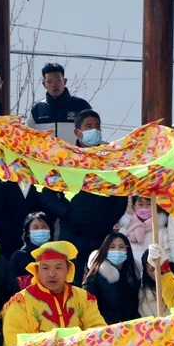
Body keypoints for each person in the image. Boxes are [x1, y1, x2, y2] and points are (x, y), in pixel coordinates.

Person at [39, 110, 128, 275]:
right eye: (88, 126)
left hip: (102, 235)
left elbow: (122, 192)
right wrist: (66, 213)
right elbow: (46, 192)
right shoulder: (66, 159)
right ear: (77, 131)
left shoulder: (109, 160)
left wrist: (110, 218)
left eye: (97, 126)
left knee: (102, 283)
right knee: (71, 280)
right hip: (72, 234)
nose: (94, 129)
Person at [24, 62, 92, 143]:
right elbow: (27, 138)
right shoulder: (37, 110)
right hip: (45, 155)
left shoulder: (81, 106)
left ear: (65, 81)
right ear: (44, 84)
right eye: (49, 81)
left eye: (58, 80)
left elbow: (92, 135)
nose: (54, 84)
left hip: (74, 155)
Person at [118, 195, 169, 266]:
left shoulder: (161, 230)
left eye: (149, 204)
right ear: (133, 207)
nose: (144, 208)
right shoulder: (125, 230)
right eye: (140, 205)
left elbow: (168, 254)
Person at [9, 211, 56, 288]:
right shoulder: (19, 257)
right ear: (28, 233)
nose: (40, 230)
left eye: (44, 227)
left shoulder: (58, 254)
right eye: (36, 228)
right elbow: (12, 285)